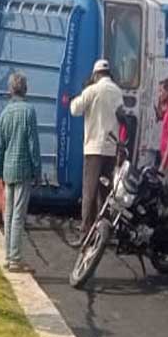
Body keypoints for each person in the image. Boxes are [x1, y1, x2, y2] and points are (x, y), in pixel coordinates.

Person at [70, 59, 123, 235]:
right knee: (105, 192)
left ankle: (86, 230)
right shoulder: (117, 91)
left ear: (95, 74)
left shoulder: (92, 90)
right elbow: (121, 115)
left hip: (93, 149)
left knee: (89, 191)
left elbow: (74, 109)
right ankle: (103, 231)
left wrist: (77, 97)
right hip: (110, 149)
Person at [0, 72, 41, 273]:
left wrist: (0, 171)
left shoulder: (4, 113)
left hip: (8, 169)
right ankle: (15, 259)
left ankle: (8, 256)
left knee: (8, 214)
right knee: (18, 216)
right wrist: (37, 170)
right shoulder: (29, 111)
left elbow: (0, 147)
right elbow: (33, 145)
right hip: (23, 170)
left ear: (10, 90)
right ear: (25, 89)